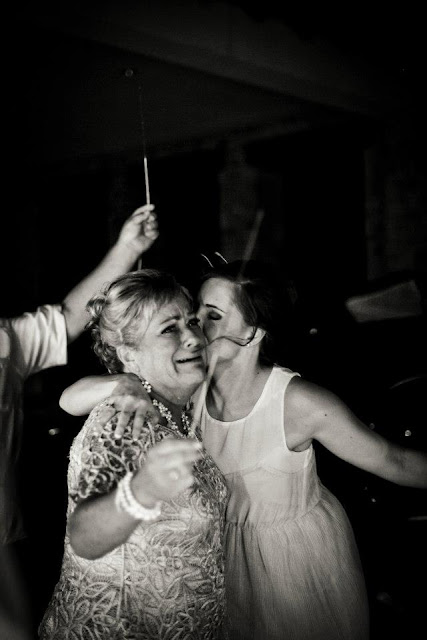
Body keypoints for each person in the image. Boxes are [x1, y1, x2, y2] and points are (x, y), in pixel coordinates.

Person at [58, 260, 427, 640]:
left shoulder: (289, 401)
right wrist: (122, 383)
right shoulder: (172, 395)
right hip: (210, 578)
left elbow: (394, 460)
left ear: (252, 331)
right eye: (192, 316)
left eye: (209, 317)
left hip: (291, 569)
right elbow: (69, 400)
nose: (197, 331)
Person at [39, 269, 228, 640]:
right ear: (129, 355)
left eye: (192, 322)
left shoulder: (182, 412)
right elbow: (84, 536)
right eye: (169, 329)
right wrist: (142, 491)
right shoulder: (122, 419)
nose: (194, 337)